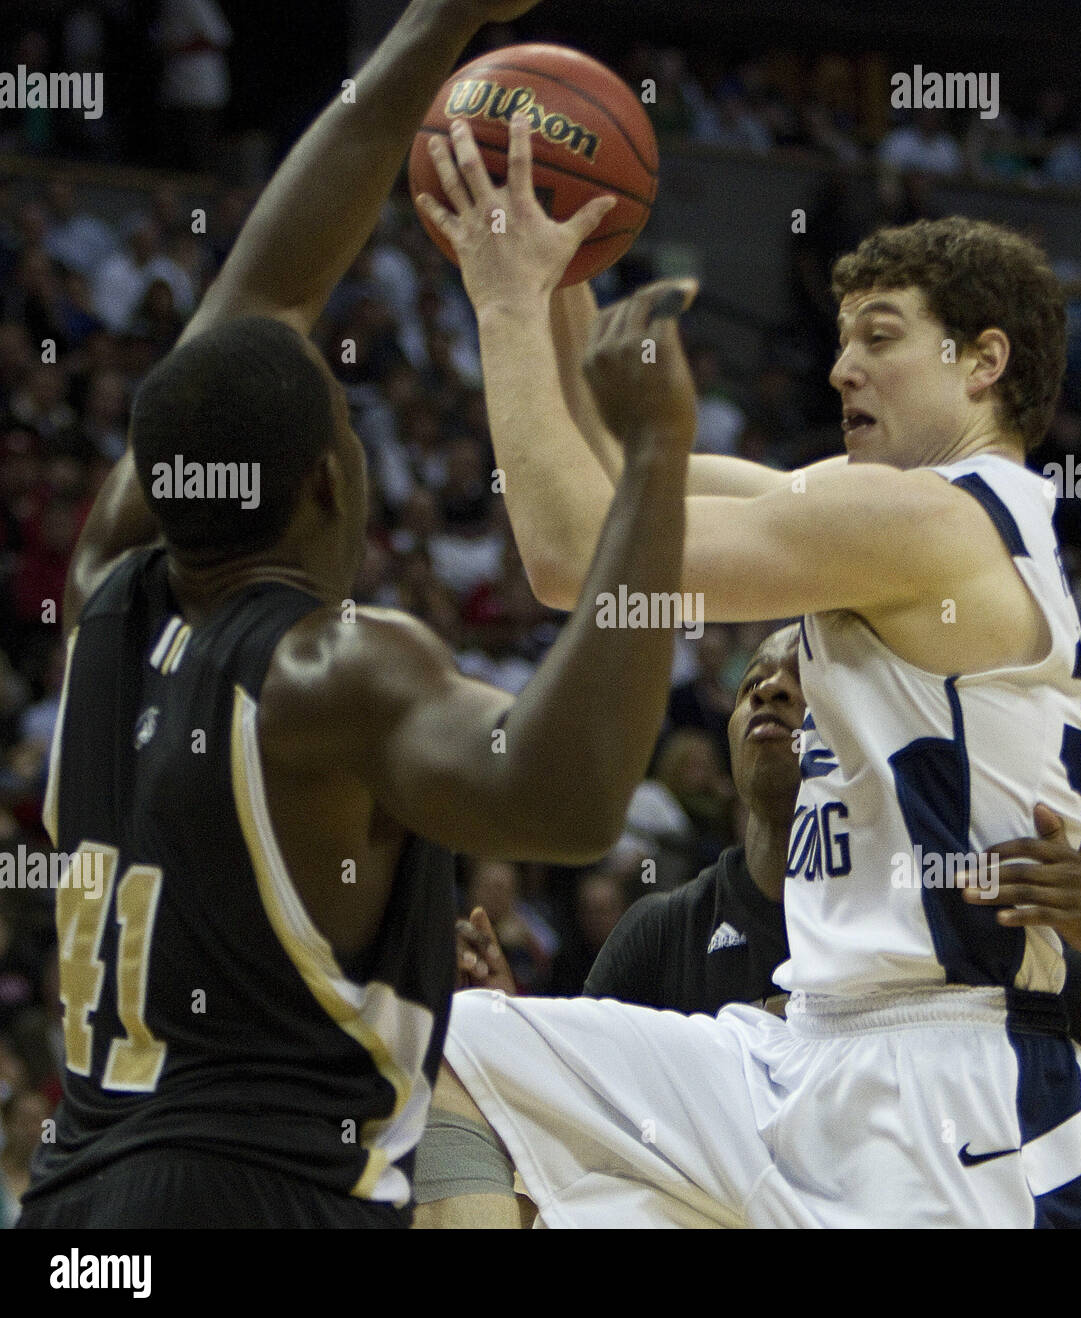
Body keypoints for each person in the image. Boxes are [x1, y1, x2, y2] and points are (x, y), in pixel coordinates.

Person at [415, 118, 1081, 1227]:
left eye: (881, 337)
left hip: (950, 1096)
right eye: (843, 335)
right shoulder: (894, 519)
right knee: (451, 1042)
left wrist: (505, 298)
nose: (841, 364)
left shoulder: (936, 524)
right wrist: (569, 269)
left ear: (982, 361)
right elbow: (607, 474)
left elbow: (574, 555)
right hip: (801, 1046)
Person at [17, 0, 701, 1230]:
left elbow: (264, 289)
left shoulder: (108, 590)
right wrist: (651, 462)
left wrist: (437, 21)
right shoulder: (333, 670)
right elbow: (571, 794)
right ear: (333, 480)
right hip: (260, 1200)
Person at [421, 625, 1081, 1224]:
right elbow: (568, 1129)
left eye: (800, 679)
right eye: (752, 683)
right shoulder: (667, 928)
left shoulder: (945, 922)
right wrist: (512, 1021)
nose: (771, 690)